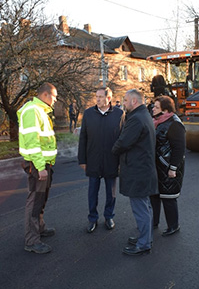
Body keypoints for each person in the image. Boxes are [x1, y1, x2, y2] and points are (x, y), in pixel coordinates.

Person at [112, 89, 158, 256]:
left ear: (133, 101)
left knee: (140, 207)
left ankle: (144, 243)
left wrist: (112, 150)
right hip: (143, 169)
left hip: (138, 171)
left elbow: (124, 142)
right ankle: (145, 237)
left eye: (125, 100)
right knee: (144, 206)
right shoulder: (144, 115)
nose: (123, 103)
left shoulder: (136, 119)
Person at [17, 82, 58, 254]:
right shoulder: (32, 110)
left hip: (44, 164)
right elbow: (32, 142)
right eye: (54, 96)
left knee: (41, 199)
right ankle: (32, 241)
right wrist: (40, 167)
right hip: (37, 164)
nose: (55, 100)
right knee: (35, 201)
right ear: (45, 95)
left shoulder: (40, 110)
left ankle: (39, 229)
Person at [78, 87, 123, 233]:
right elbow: (83, 137)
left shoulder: (119, 114)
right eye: (96, 96)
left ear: (108, 98)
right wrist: (82, 160)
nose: (97, 99)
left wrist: (122, 161)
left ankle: (109, 216)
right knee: (92, 192)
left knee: (111, 192)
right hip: (93, 159)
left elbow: (123, 139)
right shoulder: (88, 114)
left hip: (112, 160)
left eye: (100, 97)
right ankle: (92, 218)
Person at [150, 96, 186, 237]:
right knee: (154, 195)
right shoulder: (156, 122)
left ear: (165, 110)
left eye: (156, 107)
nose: (153, 109)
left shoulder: (175, 124)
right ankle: (153, 222)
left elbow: (179, 149)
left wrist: (173, 168)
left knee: (168, 198)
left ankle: (173, 225)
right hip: (156, 166)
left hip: (167, 167)